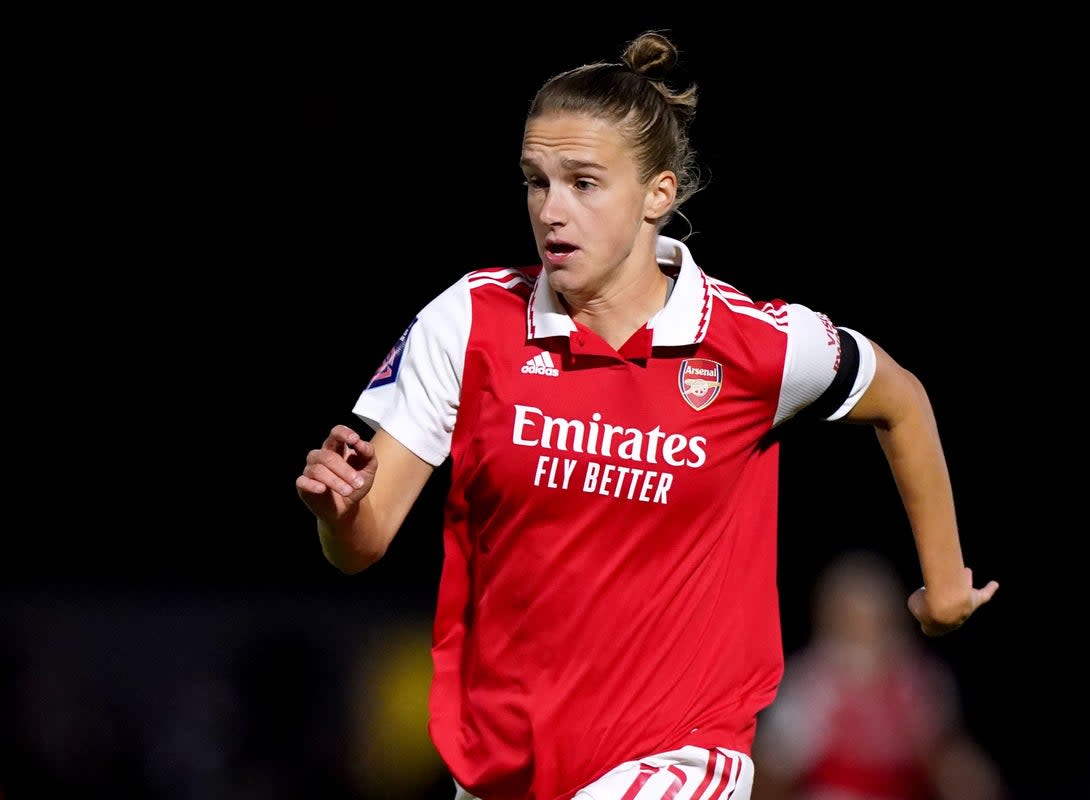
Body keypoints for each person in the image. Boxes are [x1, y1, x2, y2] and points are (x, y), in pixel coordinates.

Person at [295, 30, 999, 800]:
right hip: (505, 768)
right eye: (536, 182)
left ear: (657, 194)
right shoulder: (469, 321)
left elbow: (902, 398)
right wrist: (339, 513)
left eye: (584, 183)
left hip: (683, 758)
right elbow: (359, 546)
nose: (551, 210)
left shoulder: (751, 343)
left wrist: (944, 584)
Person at [752, 549, 1009, 800]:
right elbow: (774, 770)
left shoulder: (917, 681)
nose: (865, 636)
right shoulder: (811, 683)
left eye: (877, 621)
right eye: (852, 621)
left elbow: (945, 758)